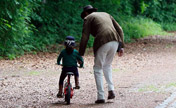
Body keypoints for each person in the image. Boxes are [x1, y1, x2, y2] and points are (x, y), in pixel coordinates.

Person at [79, 5, 124, 103]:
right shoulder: (106, 14)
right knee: (107, 65)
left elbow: (85, 36)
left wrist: (81, 53)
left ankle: (101, 96)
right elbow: (119, 29)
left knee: (97, 68)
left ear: (86, 13)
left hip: (103, 41)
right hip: (115, 41)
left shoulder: (88, 17)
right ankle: (111, 90)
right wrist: (121, 46)